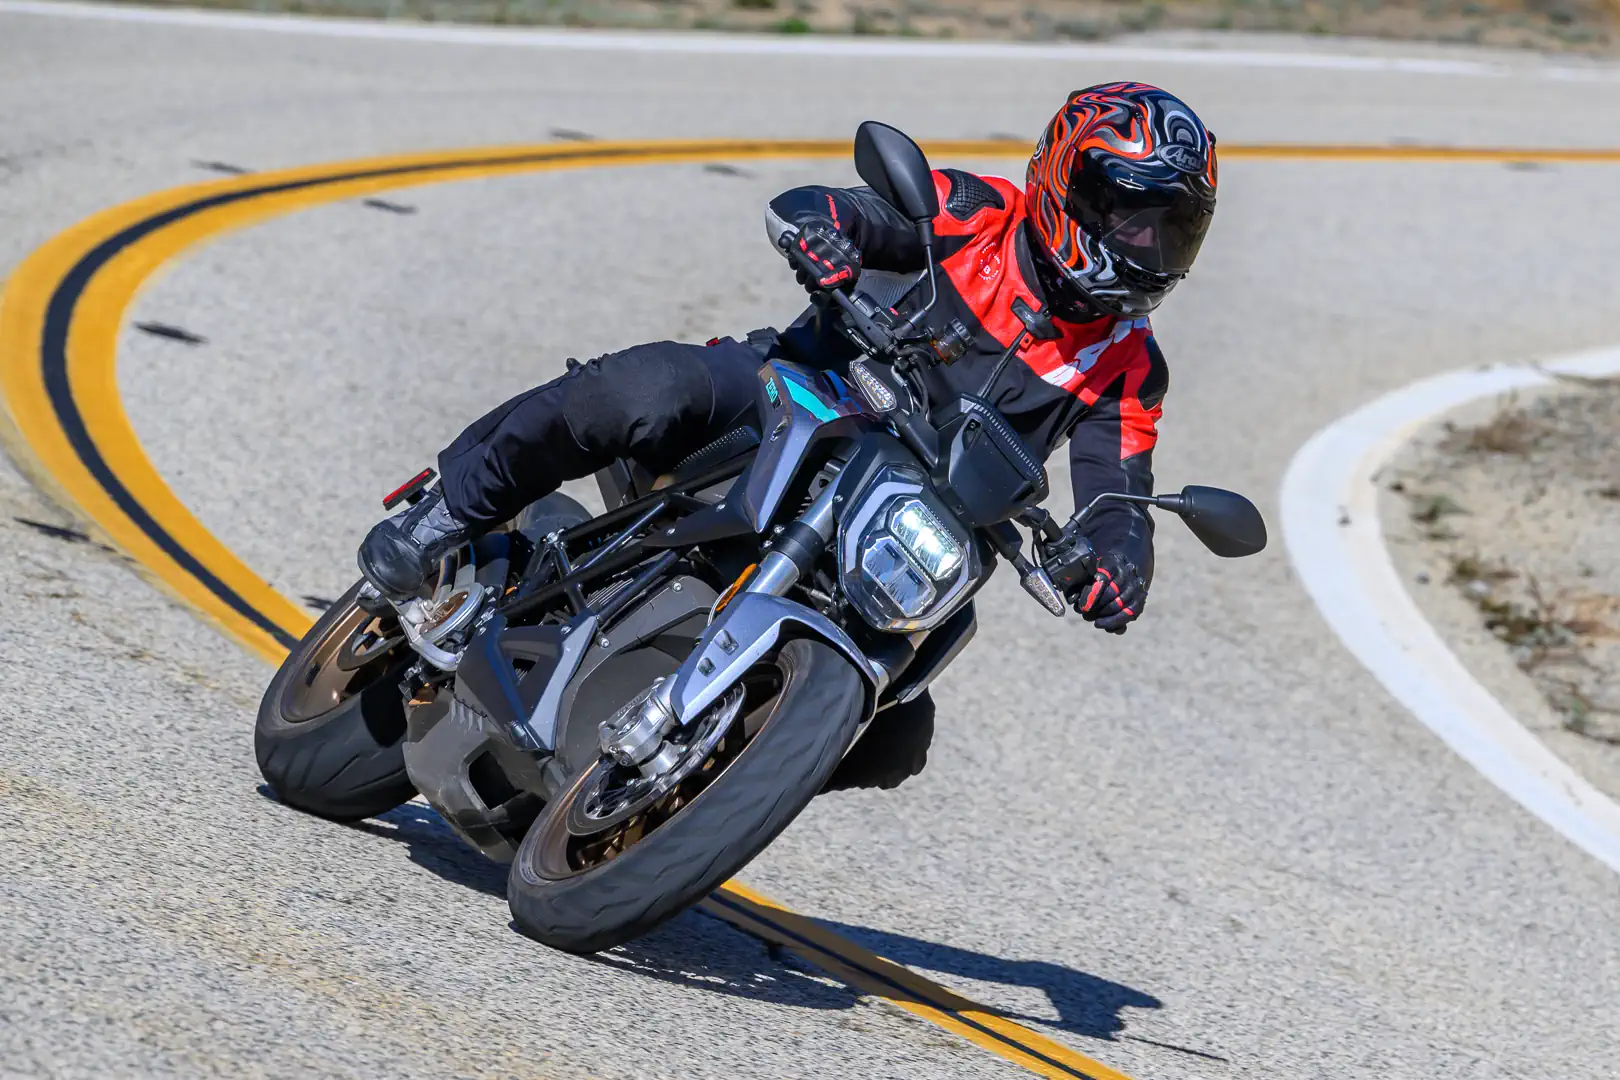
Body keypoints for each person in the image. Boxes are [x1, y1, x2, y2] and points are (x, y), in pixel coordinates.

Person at [357, 82, 1218, 789]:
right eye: (1127, 213)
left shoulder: (1129, 366)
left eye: (1168, 229)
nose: (1143, 244)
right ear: (1067, 183)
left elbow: (1120, 494)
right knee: (642, 392)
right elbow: (840, 208)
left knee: (894, 735)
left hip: (902, 527)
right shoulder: (972, 211)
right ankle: (441, 520)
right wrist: (822, 235)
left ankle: (689, 793)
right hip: (796, 395)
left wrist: (1116, 565)